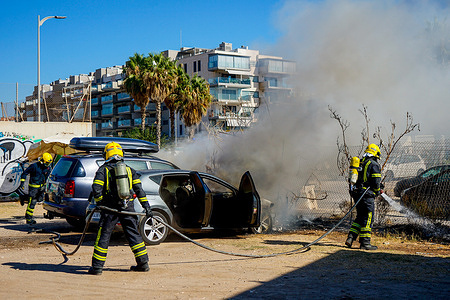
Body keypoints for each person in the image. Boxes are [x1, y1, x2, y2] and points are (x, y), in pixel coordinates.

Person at [88, 142, 153, 275]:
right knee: (133, 234)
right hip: (127, 207)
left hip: (109, 209)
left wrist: (100, 203)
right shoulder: (129, 169)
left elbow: (96, 189)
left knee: (104, 236)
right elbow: (139, 190)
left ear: (106, 154)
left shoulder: (103, 170)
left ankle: (97, 268)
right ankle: (143, 264)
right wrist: (147, 207)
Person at [345, 144, 382, 250]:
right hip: (367, 195)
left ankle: (351, 238)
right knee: (369, 217)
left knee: (360, 216)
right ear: (375, 153)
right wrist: (377, 191)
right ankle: (365, 243)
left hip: (357, 193)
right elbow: (375, 182)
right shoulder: (374, 164)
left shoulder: (361, 162)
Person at [19, 152, 53, 225]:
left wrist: (46, 187)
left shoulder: (47, 168)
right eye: (46, 163)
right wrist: (22, 182)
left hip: (41, 188)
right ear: (42, 160)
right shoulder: (34, 166)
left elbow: (48, 178)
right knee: (32, 202)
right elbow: (25, 173)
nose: (47, 165)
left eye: (48, 163)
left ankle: (24, 197)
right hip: (33, 188)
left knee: (40, 200)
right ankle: (29, 219)